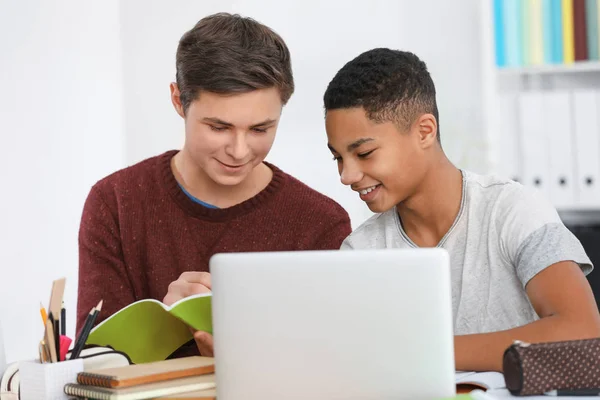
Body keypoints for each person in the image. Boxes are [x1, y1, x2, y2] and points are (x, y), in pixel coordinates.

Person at [76, 13, 351, 358]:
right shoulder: (115, 202)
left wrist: (247, 360)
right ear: (178, 100)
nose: (238, 151)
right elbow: (92, 370)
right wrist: (165, 325)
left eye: (260, 129)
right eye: (219, 127)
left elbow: (334, 369)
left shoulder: (321, 223)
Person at [323, 48, 600, 371]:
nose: (347, 176)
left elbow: (585, 336)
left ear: (424, 131)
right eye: (338, 158)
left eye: (365, 153)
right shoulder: (361, 251)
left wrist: (424, 353)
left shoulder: (513, 211)